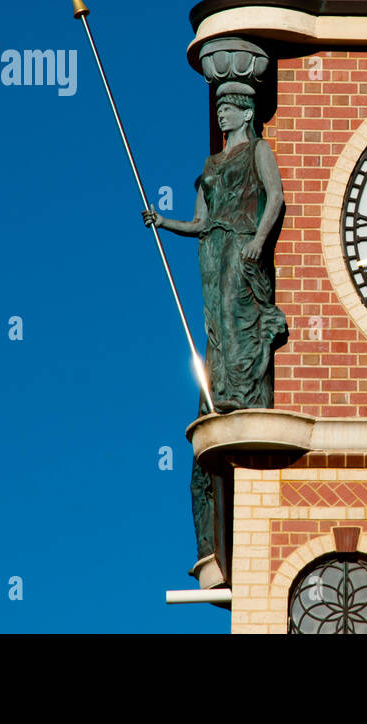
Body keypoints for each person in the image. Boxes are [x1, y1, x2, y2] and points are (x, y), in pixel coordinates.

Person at [144, 80, 289, 560]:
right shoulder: (210, 165)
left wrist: (259, 241)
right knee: (216, 326)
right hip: (214, 250)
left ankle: (244, 392)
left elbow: (276, 198)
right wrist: (164, 223)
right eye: (220, 108)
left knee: (239, 314)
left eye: (229, 108)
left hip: (244, 246)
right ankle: (223, 387)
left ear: (246, 113)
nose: (222, 115)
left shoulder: (260, 151)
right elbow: (201, 222)